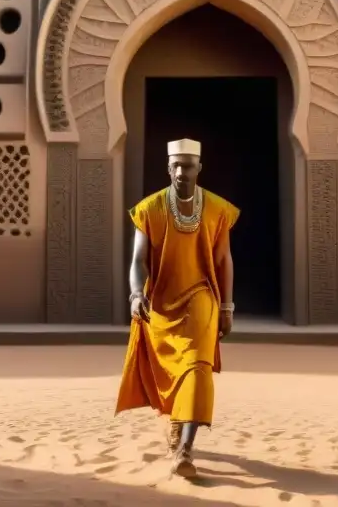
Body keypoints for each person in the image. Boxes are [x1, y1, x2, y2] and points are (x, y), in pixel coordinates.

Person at [114, 138, 239, 479]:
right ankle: (176, 421)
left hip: (201, 296)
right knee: (172, 372)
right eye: (177, 166)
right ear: (169, 169)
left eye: (189, 165)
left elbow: (224, 258)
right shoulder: (150, 209)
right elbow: (138, 260)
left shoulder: (216, 209)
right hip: (162, 303)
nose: (183, 172)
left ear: (200, 168)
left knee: (198, 366)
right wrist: (136, 294)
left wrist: (226, 307)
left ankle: (185, 448)